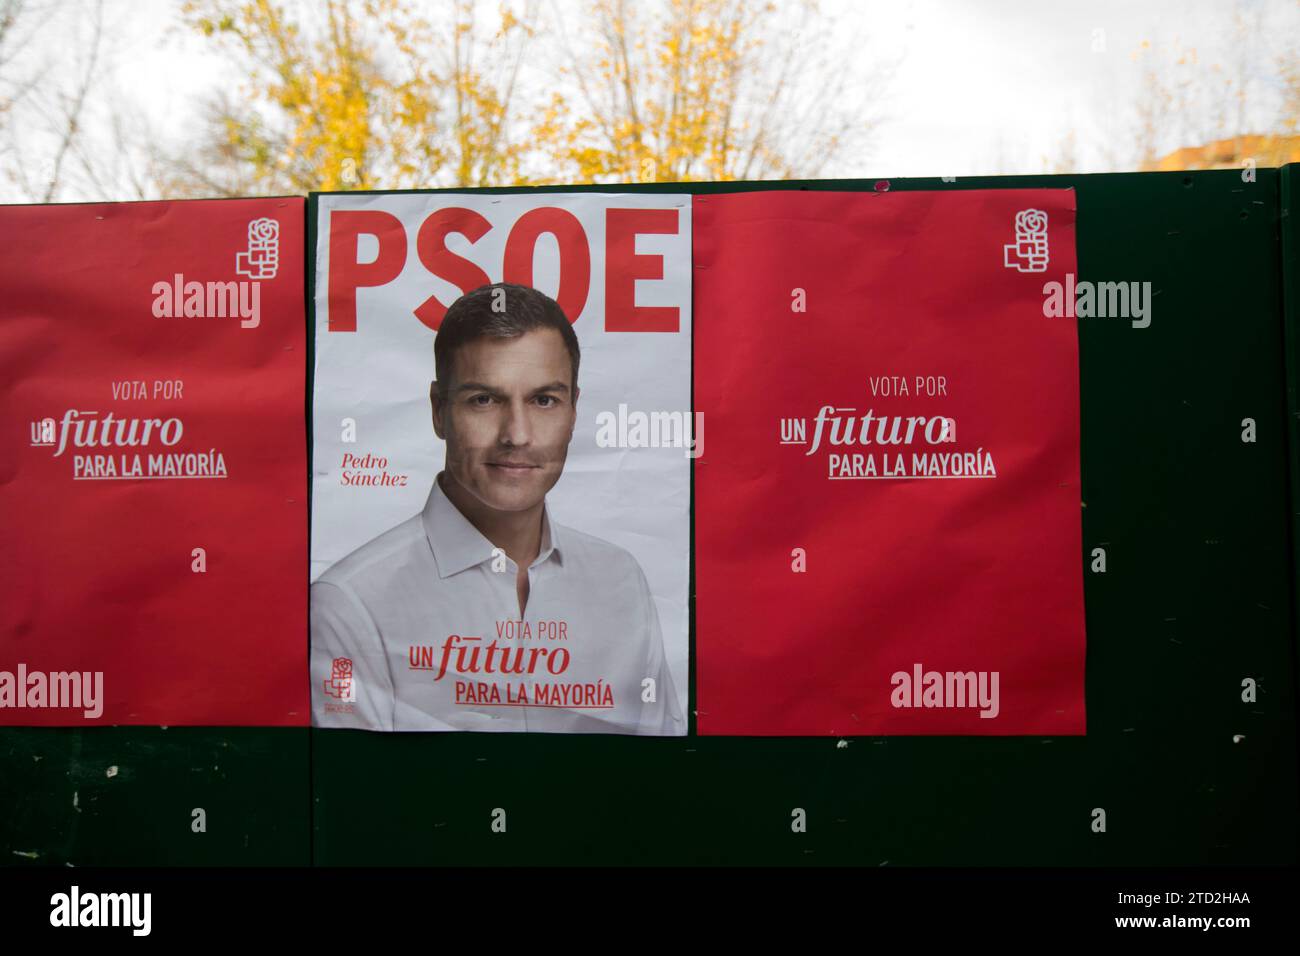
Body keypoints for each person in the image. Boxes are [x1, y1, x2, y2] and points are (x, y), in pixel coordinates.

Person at [311, 282, 685, 735]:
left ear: (573, 410)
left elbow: (656, 783)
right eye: (484, 400)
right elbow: (355, 797)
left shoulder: (622, 581)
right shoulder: (350, 605)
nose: (517, 435)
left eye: (544, 400)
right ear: (438, 411)